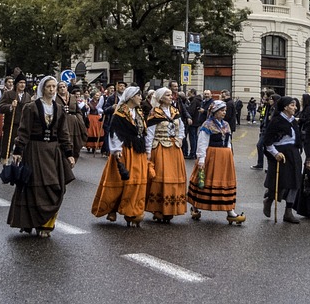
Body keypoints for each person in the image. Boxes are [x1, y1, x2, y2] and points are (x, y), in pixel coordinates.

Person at [7, 76, 75, 238]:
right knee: (35, 186)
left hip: (53, 151)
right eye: (49, 87)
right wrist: (18, 151)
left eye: (54, 87)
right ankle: (34, 221)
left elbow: (63, 133)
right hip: (34, 150)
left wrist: (69, 154)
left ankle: (46, 222)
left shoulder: (59, 108)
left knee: (54, 186)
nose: (52, 90)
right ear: (42, 88)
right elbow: (24, 131)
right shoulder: (32, 107)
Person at [92, 86, 148, 227]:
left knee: (136, 181)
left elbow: (143, 132)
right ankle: (112, 208)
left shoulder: (139, 113)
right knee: (120, 181)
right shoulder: (120, 113)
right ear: (131, 97)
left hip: (137, 150)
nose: (140, 98)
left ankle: (132, 209)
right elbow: (114, 131)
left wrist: (146, 149)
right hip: (124, 150)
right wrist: (116, 149)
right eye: (138, 95)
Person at [187, 100, 246, 225]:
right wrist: (201, 159)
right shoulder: (207, 125)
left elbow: (229, 141)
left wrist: (230, 154)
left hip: (224, 157)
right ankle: (195, 207)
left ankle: (230, 211)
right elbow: (202, 143)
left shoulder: (226, 125)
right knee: (204, 181)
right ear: (214, 111)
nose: (224, 113)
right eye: (221, 110)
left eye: (225, 110)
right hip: (212, 157)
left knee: (225, 182)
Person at [144, 87, 187, 223]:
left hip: (174, 148)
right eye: (168, 95)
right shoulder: (154, 113)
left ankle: (171, 208)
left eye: (171, 95)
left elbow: (181, 127)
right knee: (160, 178)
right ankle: (158, 208)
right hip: (160, 148)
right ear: (161, 98)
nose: (171, 97)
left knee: (174, 178)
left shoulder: (175, 111)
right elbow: (150, 133)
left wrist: (180, 139)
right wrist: (148, 151)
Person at [262, 96, 303, 224]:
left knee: (295, 183)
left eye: (295, 105)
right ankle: (269, 199)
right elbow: (267, 141)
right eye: (292, 105)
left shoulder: (293, 121)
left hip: (293, 154)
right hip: (281, 154)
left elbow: (298, 138)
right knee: (280, 183)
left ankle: (288, 211)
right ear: (285, 107)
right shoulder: (276, 121)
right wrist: (275, 154)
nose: (295, 108)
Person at [0, 72, 32, 164]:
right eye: (20, 83)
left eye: (24, 83)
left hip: (23, 126)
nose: (22, 85)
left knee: (22, 146)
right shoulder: (8, 94)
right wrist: (10, 106)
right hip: (11, 124)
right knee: (7, 146)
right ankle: (5, 162)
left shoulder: (28, 96)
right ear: (16, 84)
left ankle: (20, 164)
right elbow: (1, 107)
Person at [56, 80, 88, 160]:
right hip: (62, 123)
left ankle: (73, 158)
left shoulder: (73, 97)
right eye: (60, 87)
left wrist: (78, 119)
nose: (62, 89)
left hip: (74, 124)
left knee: (75, 144)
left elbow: (78, 111)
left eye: (64, 87)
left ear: (67, 88)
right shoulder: (55, 98)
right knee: (65, 142)